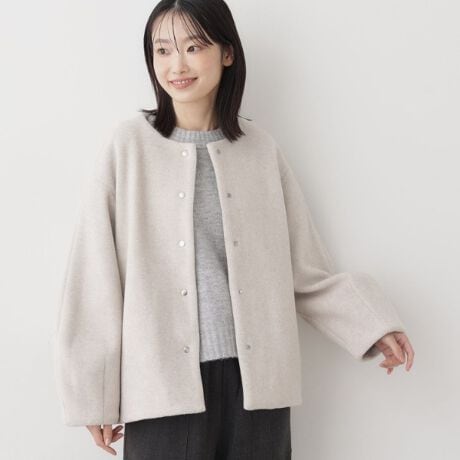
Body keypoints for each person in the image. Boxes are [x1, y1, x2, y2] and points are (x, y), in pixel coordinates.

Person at [54, 0, 415, 458]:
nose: (176, 65)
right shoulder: (128, 147)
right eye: (162, 50)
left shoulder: (260, 150)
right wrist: (93, 392)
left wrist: (372, 325)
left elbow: (305, 268)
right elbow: (93, 275)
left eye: (193, 47)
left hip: (257, 386)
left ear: (227, 53)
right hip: (162, 387)